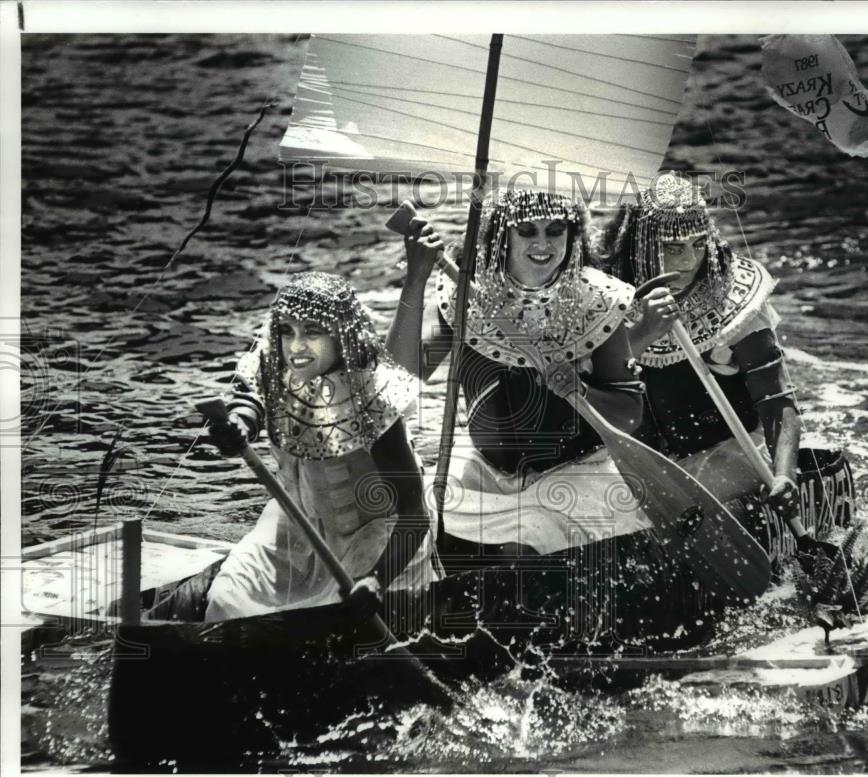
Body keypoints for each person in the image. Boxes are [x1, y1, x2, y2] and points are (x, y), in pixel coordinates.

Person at [385, 189, 652, 556]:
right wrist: (415, 278)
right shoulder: (460, 293)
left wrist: (580, 389)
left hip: (575, 477)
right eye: (526, 230)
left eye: (555, 230)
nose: (542, 244)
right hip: (483, 475)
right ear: (500, 236)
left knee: (523, 546)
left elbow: (629, 415)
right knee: (414, 535)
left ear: (572, 236)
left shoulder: (599, 300)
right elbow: (396, 381)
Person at [203, 272, 437, 622]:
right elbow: (248, 403)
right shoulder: (271, 369)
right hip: (294, 523)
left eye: (313, 331)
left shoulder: (372, 392)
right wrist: (237, 425)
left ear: (342, 337)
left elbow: (414, 514)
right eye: (287, 331)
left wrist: (378, 580)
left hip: (376, 534)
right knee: (225, 600)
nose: (296, 347)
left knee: (339, 616)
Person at [596, 171, 801, 521]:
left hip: (737, 453)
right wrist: (644, 331)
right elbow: (590, 381)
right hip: (649, 461)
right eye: (673, 248)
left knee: (662, 501)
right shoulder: (604, 296)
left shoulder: (735, 302)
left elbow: (777, 399)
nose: (689, 262)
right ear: (641, 246)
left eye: (697, 244)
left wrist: (784, 474)